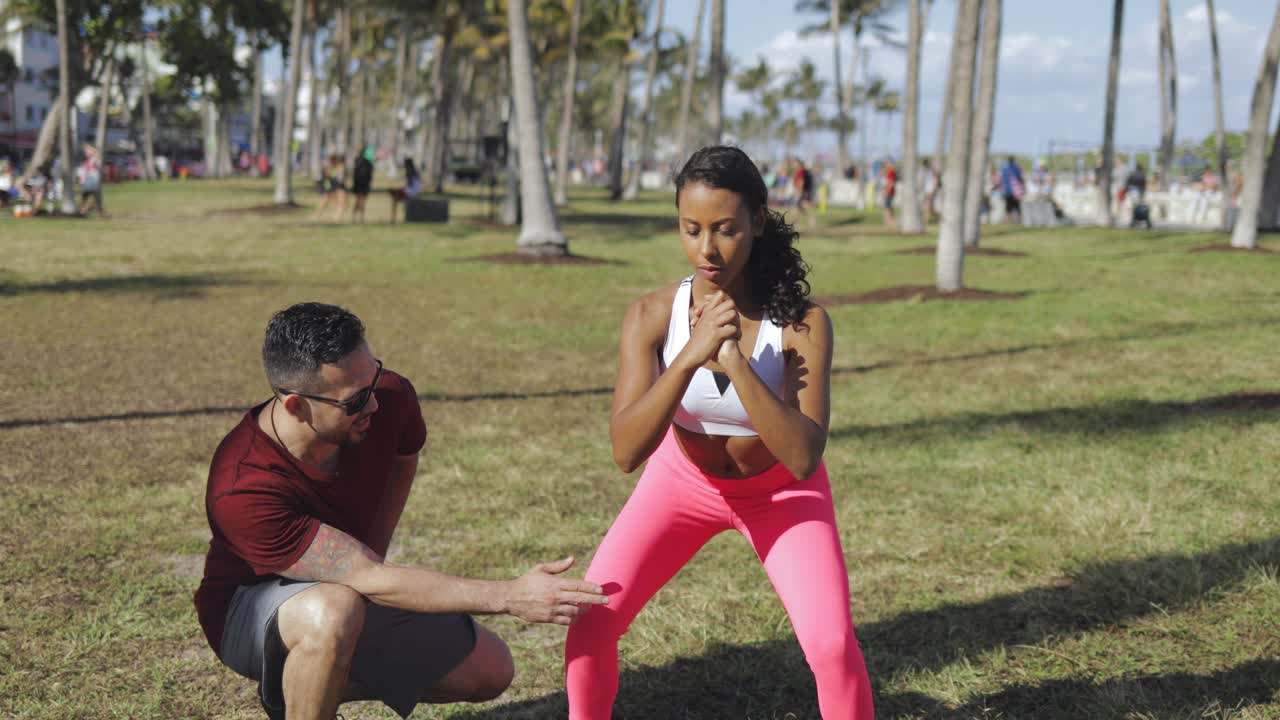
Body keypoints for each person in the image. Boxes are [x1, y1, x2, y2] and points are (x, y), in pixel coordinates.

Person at [564, 146, 874, 720]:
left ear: (757, 221)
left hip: (782, 494)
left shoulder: (801, 323)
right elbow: (626, 451)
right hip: (681, 483)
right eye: (692, 229)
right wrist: (688, 357)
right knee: (591, 621)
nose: (707, 249)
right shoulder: (652, 316)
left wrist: (734, 361)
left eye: (726, 230)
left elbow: (804, 456)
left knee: (832, 649)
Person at [194, 302, 609, 720]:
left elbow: (403, 458)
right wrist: (510, 596)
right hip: (246, 611)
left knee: (489, 670)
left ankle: (302, 690)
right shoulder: (242, 487)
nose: (374, 404)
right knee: (333, 610)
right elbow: (367, 577)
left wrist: (372, 548)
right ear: (296, 407)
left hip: (349, 585)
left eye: (373, 375)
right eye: (354, 401)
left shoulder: (388, 397)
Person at [388, 157, 421, 223]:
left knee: (394, 196)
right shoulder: (415, 171)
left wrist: (401, 189)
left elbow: (409, 185)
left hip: (410, 192)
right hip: (414, 191)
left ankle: (393, 219)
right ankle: (393, 218)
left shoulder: (410, 171)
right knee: (394, 193)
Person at [76, 145, 105, 216]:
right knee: (85, 199)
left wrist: (93, 152)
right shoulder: (86, 160)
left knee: (96, 199)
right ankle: (83, 211)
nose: (86, 152)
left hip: (93, 182)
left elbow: (98, 159)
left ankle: (95, 211)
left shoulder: (94, 159)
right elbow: (82, 172)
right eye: (86, 151)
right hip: (87, 183)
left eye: (88, 151)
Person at [350, 147, 374, 223]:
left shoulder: (358, 161)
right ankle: (358, 218)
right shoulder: (366, 162)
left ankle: (358, 218)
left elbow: (355, 174)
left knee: (360, 201)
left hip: (361, 184)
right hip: (362, 185)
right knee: (360, 201)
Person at [1000, 155, 1025, 225]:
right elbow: (1021, 178)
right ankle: (1018, 222)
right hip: (1016, 191)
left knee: (1008, 208)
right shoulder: (1017, 168)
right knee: (1017, 208)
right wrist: (1022, 189)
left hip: (1007, 191)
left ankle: (1008, 222)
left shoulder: (1004, 168)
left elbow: (1002, 180)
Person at [880, 157, 897, 230]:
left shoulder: (891, 171)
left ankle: (889, 222)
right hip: (887, 191)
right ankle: (887, 222)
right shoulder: (887, 171)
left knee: (887, 207)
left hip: (889, 192)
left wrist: (887, 191)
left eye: (887, 163)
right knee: (887, 207)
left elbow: (891, 183)